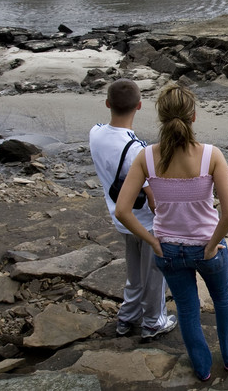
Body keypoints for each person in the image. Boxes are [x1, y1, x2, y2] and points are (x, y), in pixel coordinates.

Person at [114, 84, 228, 382]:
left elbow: (122, 211)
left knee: (188, 309)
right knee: (223, 299)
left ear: (161, 117)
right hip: (206, 246)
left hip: (168, 249)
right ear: (194, 115)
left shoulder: (146, 157)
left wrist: (152, 241)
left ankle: (202, 369)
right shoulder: (211, 156)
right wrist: (213, 245)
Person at [89, 79, 177, 340]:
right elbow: (152, 196)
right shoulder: (136, 150)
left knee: (134, 273)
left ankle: (127, 317)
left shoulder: (95, 133)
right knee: (154, 274)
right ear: (139, 106)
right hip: (145, 222)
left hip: (122, 218)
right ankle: (153, 321)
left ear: (107, 104)